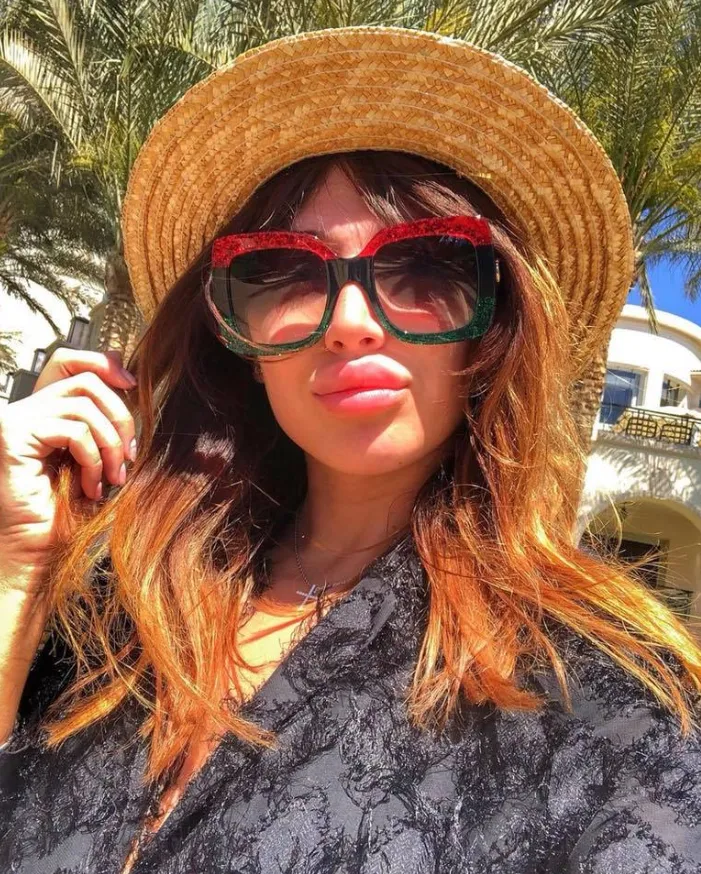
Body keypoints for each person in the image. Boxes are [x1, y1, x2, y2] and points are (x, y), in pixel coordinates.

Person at [0, 25, 700, 874]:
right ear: (239, 340)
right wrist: (18, 564)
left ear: (492, 331)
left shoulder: (608, 695)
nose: (352, 322)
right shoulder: (119, 608)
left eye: (427, 266)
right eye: (285, 273)